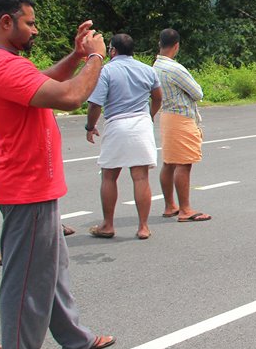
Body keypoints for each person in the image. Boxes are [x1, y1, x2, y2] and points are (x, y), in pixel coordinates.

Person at [0, 0, 115, 349]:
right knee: (27, 276)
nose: (35, 30)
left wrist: (76, 57)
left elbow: (42, 83)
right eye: (29, 23)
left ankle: (73, 337)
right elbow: (70, 96)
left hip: (31, 182)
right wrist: (96, 57)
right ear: (5, 22)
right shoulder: (0, 64)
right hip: (25, 184)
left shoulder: (5, 63)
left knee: (50, 268)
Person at [86, 34, 162, 240]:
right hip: (141, 125)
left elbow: (95, 104)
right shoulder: (147, 70)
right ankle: (143, 227)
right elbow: (158, 98)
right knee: (141, 176)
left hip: (117, 124)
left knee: (109, 176)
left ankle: (108, 225)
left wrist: (90, 126)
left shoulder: (106, 71)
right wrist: (149, 116)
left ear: (113, 50)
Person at [153, 29, 210, 222]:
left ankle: (170, 205)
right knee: (183, 163)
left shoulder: (155, 66)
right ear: (176, 45)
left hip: (166, 115)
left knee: (169, 162)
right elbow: (198, 93)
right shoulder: (175, 68)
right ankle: (185, 209)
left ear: (160, 44)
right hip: (181, 117)